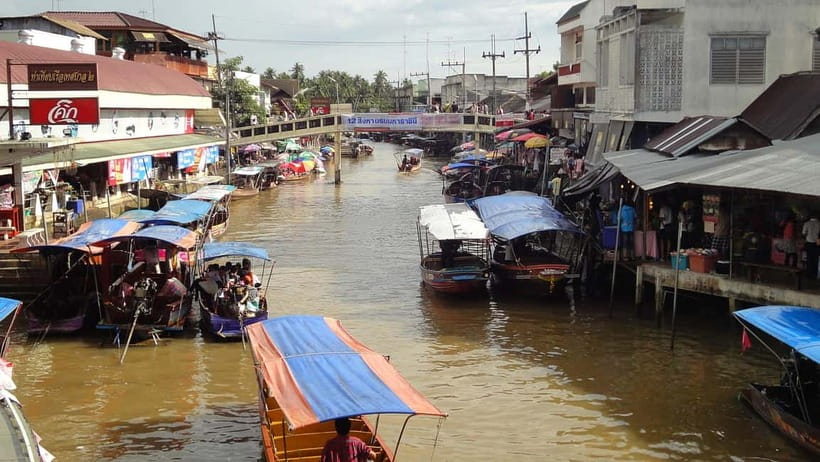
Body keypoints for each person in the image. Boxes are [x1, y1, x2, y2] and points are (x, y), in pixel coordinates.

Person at [803, 213, 820, 278]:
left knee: (809, 259)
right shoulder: (819, 223)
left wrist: (808, 235)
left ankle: (808, 274)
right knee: (815, 259)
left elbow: (803, 233)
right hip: (817, 243)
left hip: (809, 243)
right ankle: (815, 274)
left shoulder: (806, 223)